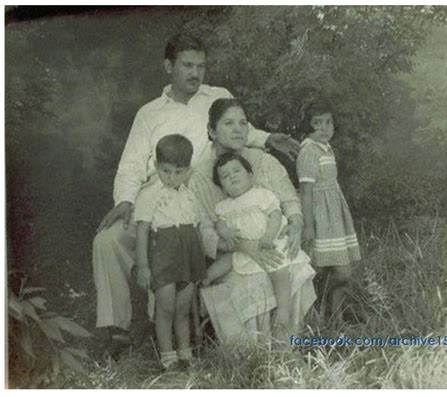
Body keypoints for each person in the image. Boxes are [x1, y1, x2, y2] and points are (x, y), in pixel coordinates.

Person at [93, 33, 299, 346]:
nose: (195, 73)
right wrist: (124, 200)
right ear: (168, 66)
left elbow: (236, 126)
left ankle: (174, 325)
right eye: (187, 65)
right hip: (158, 197)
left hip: (202, 201)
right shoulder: (149, 113)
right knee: (107, 241)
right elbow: (132, 165)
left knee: (187, 241)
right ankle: (118, 329)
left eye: (200, 66)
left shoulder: (216, 95)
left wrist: (268, 139)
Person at [188, 98, 316, 343]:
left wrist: (296, 225)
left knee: (290, 268)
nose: (238, 129)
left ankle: (288, 341)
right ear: (212, 131)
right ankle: (253, 353)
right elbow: (204, 232)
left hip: (272, 242)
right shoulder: (200, 178)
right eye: (228, 123)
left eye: (243, 123)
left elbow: (289, 201)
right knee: (254, 281)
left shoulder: (264, 161)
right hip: (233, 254)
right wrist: (245, 246)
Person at [202, 153, 312, 337]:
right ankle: (204, 280)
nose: (232, 177)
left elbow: (275, 215)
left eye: (237, 171)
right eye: (225, 177)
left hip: (269, 242)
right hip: (244, 248)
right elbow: (219, 223)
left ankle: (283, 313)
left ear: (250, 175)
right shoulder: (223, 206)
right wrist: (225, 232)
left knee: (279, 269)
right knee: (227, 261)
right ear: (222, 186)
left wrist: (269, 236)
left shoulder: (261, 194)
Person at [133, 134, 206, 369]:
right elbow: (143, 230)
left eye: (178, 172)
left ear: (188, 171)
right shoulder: (149, 194)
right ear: (156, 166)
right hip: (163, 257)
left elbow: (196, 229)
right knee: (165, 307)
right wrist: (144, 265)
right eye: (166, 171)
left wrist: (199, 258)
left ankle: (185, 353)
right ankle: (168, 356)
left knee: (183, 308)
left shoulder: (189, 195)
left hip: (187, 256)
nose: (172, 178)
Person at [296, 101, 361, 322]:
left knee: (343, 270)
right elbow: (306, 192)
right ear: (307, 126)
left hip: (335, 216)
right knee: (334, 270)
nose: (325, 128)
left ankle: (337, 318)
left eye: (328, 122)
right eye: (318, 123)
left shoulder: (326, 149)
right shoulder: (308, 151)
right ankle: (317, 308)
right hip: (319, 217)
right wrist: (308, 226)